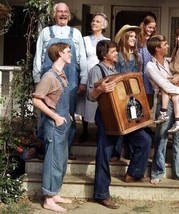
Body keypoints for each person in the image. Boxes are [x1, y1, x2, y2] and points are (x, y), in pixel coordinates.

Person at [87, 40, 151, 209]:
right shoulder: (96, 70)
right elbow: (90, 96)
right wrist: (100, 89)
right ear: (104, 54)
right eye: (114, 51)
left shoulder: (115, 70)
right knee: (104, 155)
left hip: (123, 118)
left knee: (144, 140)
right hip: (106, 118)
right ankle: (101, 194)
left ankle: (134, 173)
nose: (116, 53)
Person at [33, 2, 87, 160]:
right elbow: (38, 57)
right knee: (46, 112)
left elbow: (82, 58)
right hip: (48, 79)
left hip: (70, 81)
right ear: (54, 14)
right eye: (60, 12)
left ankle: (66, 149)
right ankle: (45, 149)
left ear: (69, 15)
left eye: (66, 12)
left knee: (68, 113)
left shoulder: (75, 33)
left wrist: (83, 80)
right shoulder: (46, 32)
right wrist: (37, 79)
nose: (63, 14)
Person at [145, 35, 179, 185]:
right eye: (164, 45)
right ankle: (158, 171)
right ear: (157, 49)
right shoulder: (150, 66)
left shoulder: (170, 62)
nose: (167, 46)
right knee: (162, 136)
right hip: (165, 102)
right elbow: (163, 85)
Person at [32, 42, 73, 212]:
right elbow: (36, 100)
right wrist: (56, 117)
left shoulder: (61, 74)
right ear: (59, 54)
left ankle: (54, 193)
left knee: (61, 161)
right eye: (68, 52)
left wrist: (67, 115)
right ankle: (48, 199)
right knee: (52, 162)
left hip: (63, 123)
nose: (70, 54)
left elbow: (56, 98)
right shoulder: (49, 76)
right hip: (54, 124)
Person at [76, 12, 109, 143]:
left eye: (97, 21)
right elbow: (81, 59)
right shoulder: (84, 40)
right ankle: (85, 131)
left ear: (103, 25)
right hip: (88, 71)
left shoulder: (107, 41)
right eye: (93, 21)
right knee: (87, 101)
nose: (94, 23)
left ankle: (100, 130)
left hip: (102, 72)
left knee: (101, 101)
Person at [154, 26, 179, 134]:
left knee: (175, 97)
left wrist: (177, 77)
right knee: (164, 89)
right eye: (177, 36)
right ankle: (164, 112)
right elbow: (172, 62)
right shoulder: (176, 49)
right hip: (175, 75)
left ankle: (178, 122)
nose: (178, 39)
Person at [113, 24, 142, 160]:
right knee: (120, 121)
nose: (133, 39)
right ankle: (116, 152)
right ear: (124, 38)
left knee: (133, 121)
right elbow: (114, 74)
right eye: (130, 36)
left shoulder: (138, 56)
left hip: (134, 93)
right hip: (120, 92)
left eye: (135, 37)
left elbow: (139, 74)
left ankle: (131, 151)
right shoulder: (118, 56)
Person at [137, 15, 157, 109]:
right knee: (139, 99)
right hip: (140, 72)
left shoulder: (154, 40)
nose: (151, 30)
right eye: (149, 27)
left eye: (153, 28)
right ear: (144, 26)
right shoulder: (138, 39)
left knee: (149, 102)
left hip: (150, 74)